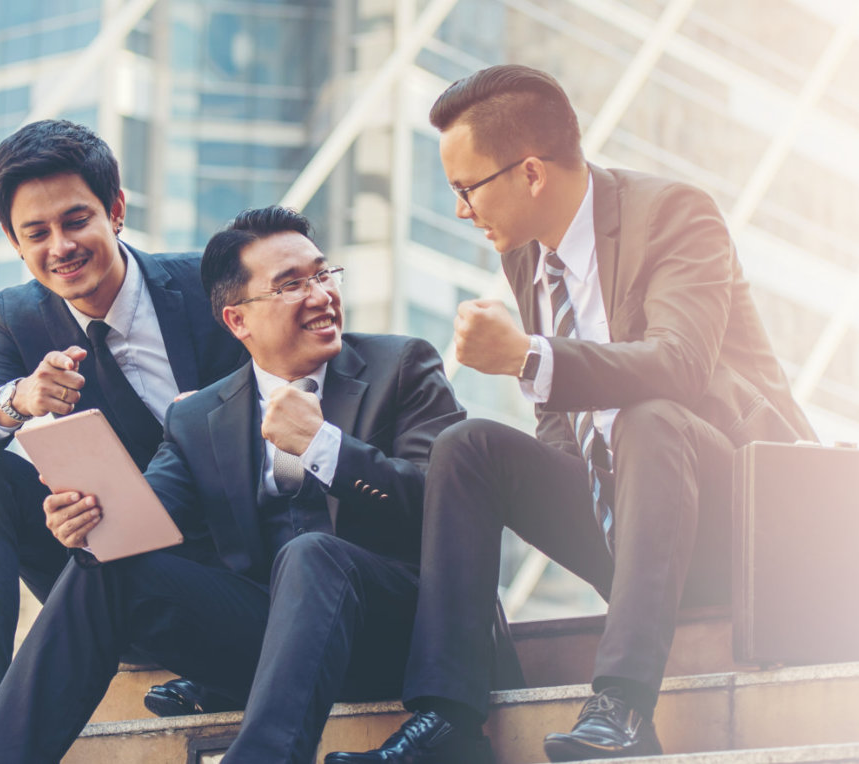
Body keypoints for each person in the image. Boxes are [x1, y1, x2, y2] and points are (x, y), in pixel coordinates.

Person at [330, 64, 816, 762]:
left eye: (467, 189)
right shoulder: (528, 256)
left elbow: (679, 364)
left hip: (732, 527)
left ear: (530, 174)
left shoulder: (675, 214)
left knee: (652, 415)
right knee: (467, 445)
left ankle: (621, 707)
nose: (462, 210)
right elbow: (560, 423)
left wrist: (528, 356)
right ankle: (448, 720)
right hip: (626, 531)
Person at [0, 206, 469, 763]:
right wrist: (85, 523)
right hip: (266, 646)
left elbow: (445, 509)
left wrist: (324, 444)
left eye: (323, 275)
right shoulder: (200, 417)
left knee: (313, 553)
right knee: (106, 567)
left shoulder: (403, 365)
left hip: (395, 638)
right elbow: (144, 524)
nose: (321, 295)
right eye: (291, 285)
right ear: (237, 321)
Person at [0, 119, 247, 764]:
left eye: (76, 221)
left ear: (117, 210)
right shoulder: (21, 315)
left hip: (236, 577)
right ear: (13, 242)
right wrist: (19, 398)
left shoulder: (208, 288)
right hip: (106, 574)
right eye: (36, 233)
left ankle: (218, 674)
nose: (60, 247)